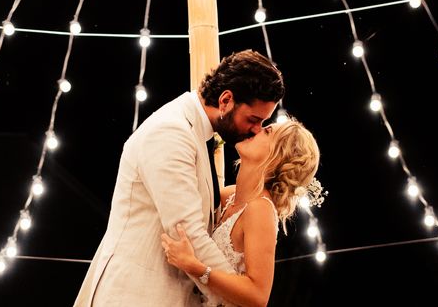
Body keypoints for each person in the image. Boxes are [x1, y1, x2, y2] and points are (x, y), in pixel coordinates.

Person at [73, 50, 285, 306]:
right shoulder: (172, 132)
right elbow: (186, 232)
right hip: (135, 294)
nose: (256, 130)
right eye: (253, 119)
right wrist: (237, 299)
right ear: (226, 100)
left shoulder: (197, 132)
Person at [161, 119, 321, 307]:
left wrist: (194, 267)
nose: (256, 128)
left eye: (267, 131)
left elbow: (258, 296)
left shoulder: (261, 209)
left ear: (277, 157)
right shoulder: (229, 194)